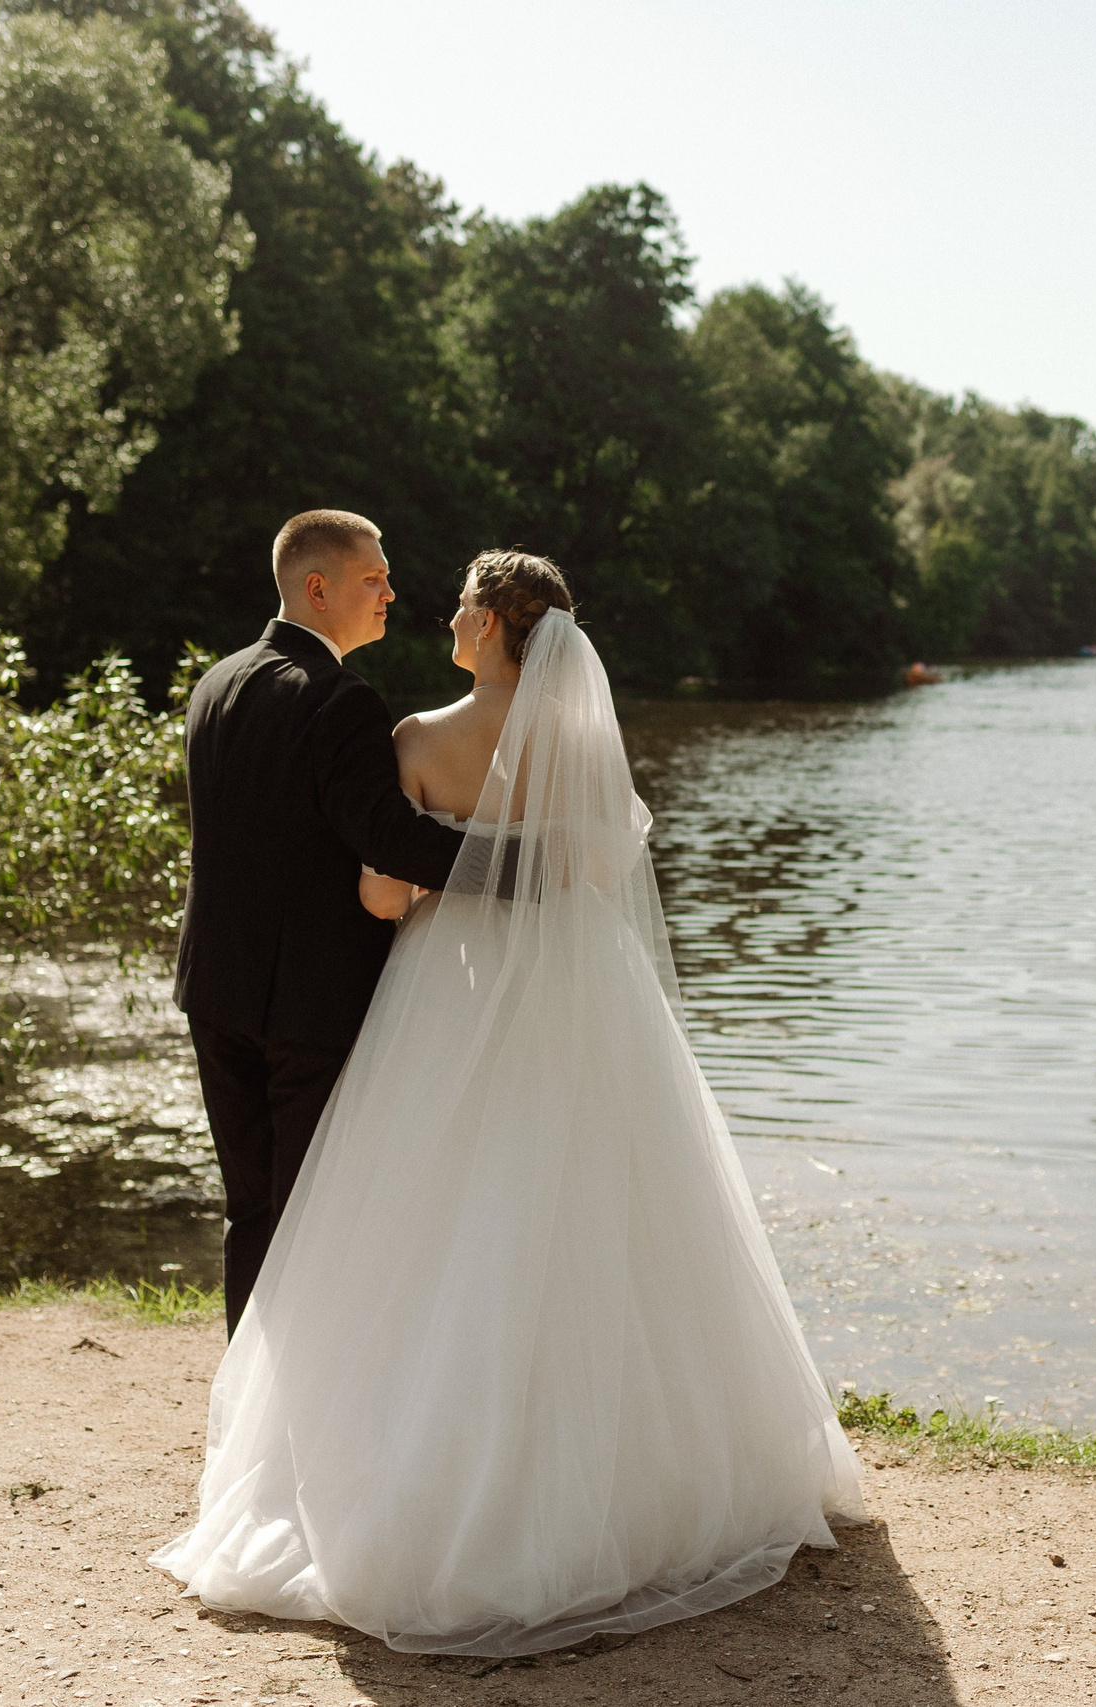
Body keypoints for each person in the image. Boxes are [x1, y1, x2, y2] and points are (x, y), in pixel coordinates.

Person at [153, 551, 864, 1656]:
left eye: (455, 603)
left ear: (488, 627)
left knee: (397, 1219)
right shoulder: (586, 747)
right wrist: (524, 867)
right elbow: (592, 868)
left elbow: (386, 888)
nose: (432, 608)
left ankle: (333, 1447)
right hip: (586, 1003)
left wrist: (415, 883)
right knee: (607, 1211)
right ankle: (642, 1479)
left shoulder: (416, 738)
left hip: (436, 996)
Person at [172, 509, 468, 1335]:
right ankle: (295, 1424)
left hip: (215, 988)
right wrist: (515, 865)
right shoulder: (339, 699)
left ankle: (249, 1415)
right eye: (373, 578)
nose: (390, 592)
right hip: (305, 1002)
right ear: (317, 586)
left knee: (252, 1210)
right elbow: (388, 836)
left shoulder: (216, 683)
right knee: (312, 1216)